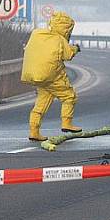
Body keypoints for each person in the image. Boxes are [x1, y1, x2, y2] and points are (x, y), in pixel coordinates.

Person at [21, 11, 82, 141]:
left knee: (41, 103)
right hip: (53, 77)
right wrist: (75, 49)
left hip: (39, 77)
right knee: (69, 97)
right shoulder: (60, 39)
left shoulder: (38, 33)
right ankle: (67, 123)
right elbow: (68, 55)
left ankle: (34, 131)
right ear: (66, 28)